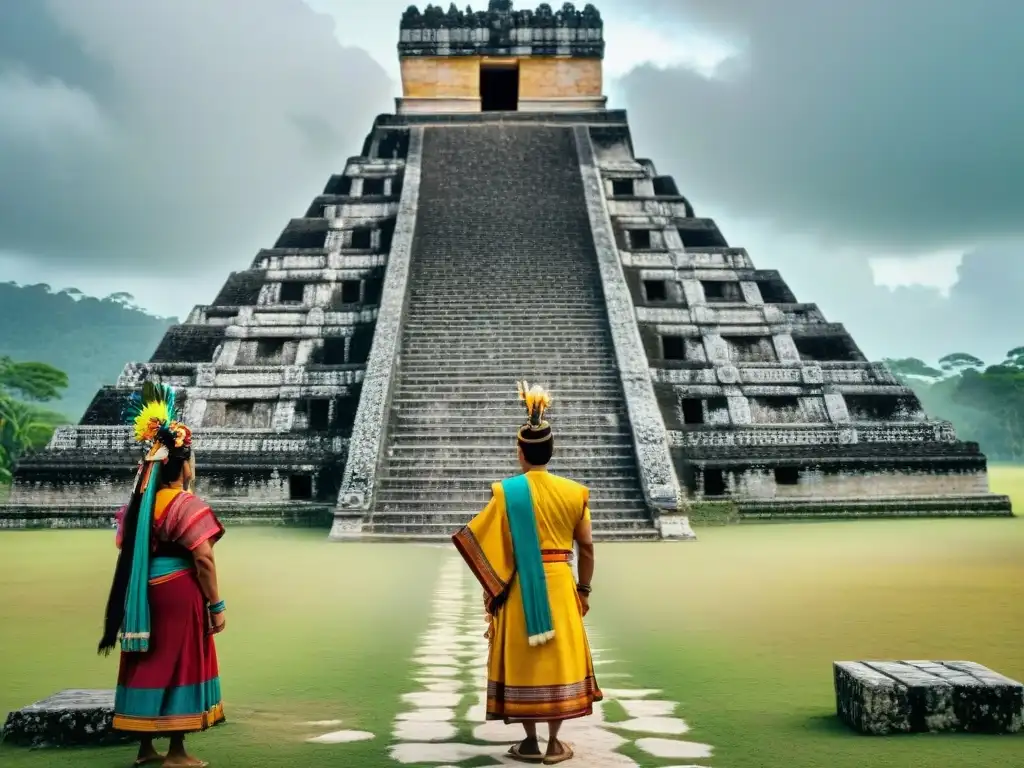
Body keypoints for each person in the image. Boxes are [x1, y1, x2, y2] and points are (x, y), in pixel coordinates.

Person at [452, 381, 600, 765]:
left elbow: (480, 541)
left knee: (526, 658)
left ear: (521, 453)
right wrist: (583, 589)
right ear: (551, 452)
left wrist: (493, 587)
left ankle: (530, 743)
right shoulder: (575, 492)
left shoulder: (506, 492)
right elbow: (586, 547)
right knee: (557, 656)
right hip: (561, 585)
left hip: (519, 586)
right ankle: (555, 745)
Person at [98, 382, 227, 768]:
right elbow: (203, 559)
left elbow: (124, 545)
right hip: (177, 592)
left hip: (141, 590)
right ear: (183, 464)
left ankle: (145, 748)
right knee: (180, 660)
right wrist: (216, 604)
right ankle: (176, 751)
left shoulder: (137, 507)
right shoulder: (186, 504)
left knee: (145, 659)